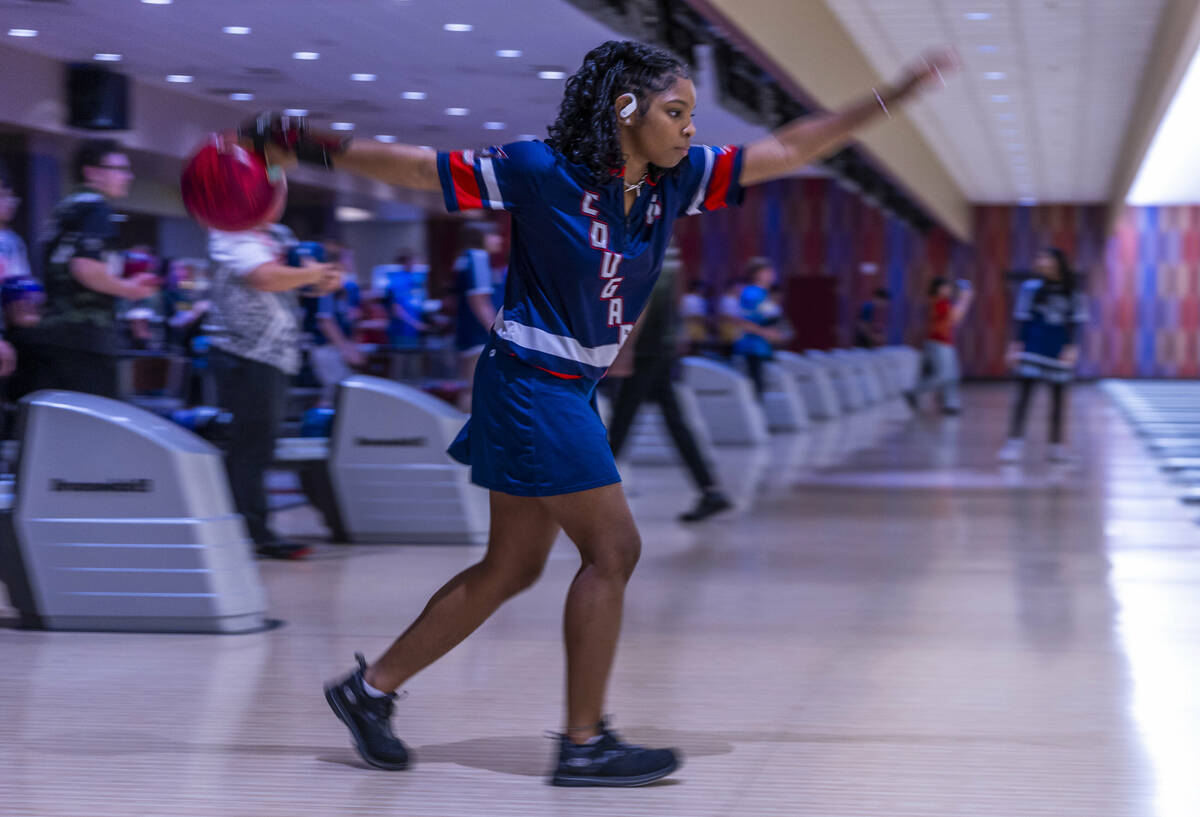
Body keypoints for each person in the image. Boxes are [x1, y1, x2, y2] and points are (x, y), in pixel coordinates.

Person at [242, 39, 957, 786]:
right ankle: (583, 743)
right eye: (674, 112)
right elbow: (424, 169)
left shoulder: (674, 184)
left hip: (567, 387)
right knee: (613, 550)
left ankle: (368, 690)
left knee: (511, 567)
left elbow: (786, 148)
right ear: (626, 109)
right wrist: (310, 145)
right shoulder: (538, 170)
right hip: (530, 380)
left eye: (688, 115)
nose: (688, 128)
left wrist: (896, 95)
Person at [207, 185, 343, 560]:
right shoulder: (229, 231)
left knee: (261, 445)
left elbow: (302, 282)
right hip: (242, 353)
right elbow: (264, 277)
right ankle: (252, 533)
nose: (277, 201)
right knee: (250, 446)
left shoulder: (280, 236)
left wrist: (324, 279)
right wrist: (308, 275)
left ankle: (254, 528)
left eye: (281, 193)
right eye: (269, 193)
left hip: (277, 356)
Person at [9, 140, 158, 400]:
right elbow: (85, 269)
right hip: (86, 337)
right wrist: (129, 289)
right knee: (92, 428)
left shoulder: (65, 207)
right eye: (119, 169)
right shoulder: (97, 209)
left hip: (56, 334)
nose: (127, 176)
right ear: (92, 172)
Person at [607, 245, 731, 522]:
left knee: (622, 423)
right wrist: (677, 333)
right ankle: (710, 490)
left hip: (646, 351)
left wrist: (626, 350)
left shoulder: (640, 243)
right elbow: (676, 297)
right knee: (673, 422)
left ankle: (588, 496)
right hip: (661, 348)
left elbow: (642, 299)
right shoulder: (668, 246)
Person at [997, 248, 1088, 463]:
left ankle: (1056, 446)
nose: (1041, 262)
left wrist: (1072, 347)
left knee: (1058, 399)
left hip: (1058, 348)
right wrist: (1015, 347)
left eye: (1046, 258)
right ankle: (1014, 444)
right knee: (1024, 397)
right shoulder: (1031, 288)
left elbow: (1077, 322)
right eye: (1040, 258)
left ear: (1058, 262)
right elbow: (1021, 318)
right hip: (1033, 346)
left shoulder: (1073, 291)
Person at [452, 222, 505, 410]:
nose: (499, 240)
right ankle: (471, 432)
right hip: (478, 335)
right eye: (494, 235)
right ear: (481, 238)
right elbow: (479, 300)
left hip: (467, 332)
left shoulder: (464, 258)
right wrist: (495, 331)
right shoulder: (477, 257)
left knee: (470, 384)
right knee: (476, 386)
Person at [732, 258, 785, 400]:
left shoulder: (763, 294)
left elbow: (771, 319)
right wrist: (766, 332)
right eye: (767, 271)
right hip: (751, 348)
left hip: (762, 347)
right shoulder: (751, 293)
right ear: (757, 274)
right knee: (755, 391)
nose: (771, 274)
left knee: (763, 388)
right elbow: (742, 321)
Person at [920, 276, 973, 415]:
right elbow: (955, 317)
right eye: (946, 287)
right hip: (939, 342)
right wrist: (965, 299)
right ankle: (915, 391)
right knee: (944, 375)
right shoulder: (940, 303)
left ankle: (951, 404)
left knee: (952, 375)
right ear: (938, 289)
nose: (949, 290)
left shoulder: (942, 302)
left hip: (944, 342)